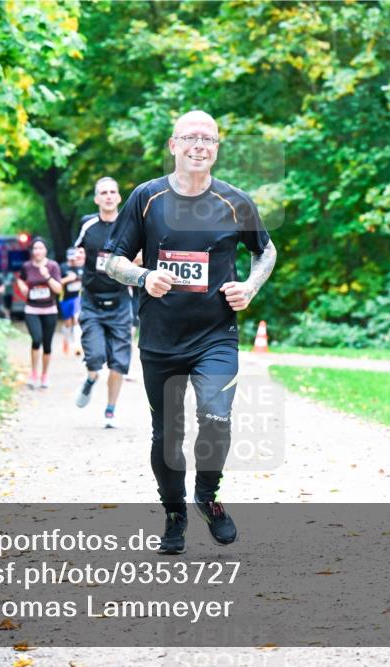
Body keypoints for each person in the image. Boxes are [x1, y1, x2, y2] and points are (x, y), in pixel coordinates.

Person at [105, 110, 277, 555]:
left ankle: (207, 496)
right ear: (173, 145)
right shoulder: (147, 197)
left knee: (217, 418)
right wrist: (143, 278)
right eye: (191, 138)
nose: (200, 146)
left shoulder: (235, 201)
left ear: (217, 149)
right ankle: (174, 513)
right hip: (160, 338)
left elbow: (266, 250)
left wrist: (250, 287)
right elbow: (113, 260)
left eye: (209, 139)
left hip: (215, 335)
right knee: (167, 435)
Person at [72, 177, 134, 429]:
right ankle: (90, 378)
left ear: (119, 197)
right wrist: (77, 258)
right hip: (92, 302)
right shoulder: (88, 226)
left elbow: (141, 256)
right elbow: (77, 250)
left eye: (112, 192)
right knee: (96, 356)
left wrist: (137, 261)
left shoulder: (129, 226)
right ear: (97, 199)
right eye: (103, 193)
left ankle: (110, 411)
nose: (108, 196)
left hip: (120, 302)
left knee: (119, 361)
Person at [17, 237, 62, 388]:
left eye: (40, 248)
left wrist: (47, 276)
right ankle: (34, 373)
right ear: (32, 251)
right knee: (36, 340)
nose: (37, 251)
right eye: (35, 248)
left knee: (47, 345)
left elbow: (58, 289)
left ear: (45, 250)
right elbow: (20, 279)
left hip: (49, 309)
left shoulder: (53, 266)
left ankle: (44, 375)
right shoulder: (27, 266)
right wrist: (22, 286)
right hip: (32, 309)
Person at [58, 247, 83, 356]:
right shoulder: (62, 267)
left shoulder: (81, 267)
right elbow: (57, 283)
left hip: (78, 297)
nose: (74, 260)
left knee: (77, 318)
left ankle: (77, 345)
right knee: (68, 323)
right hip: (65, 298)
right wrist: (68, 279)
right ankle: (66, 340)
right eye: (72, 258)